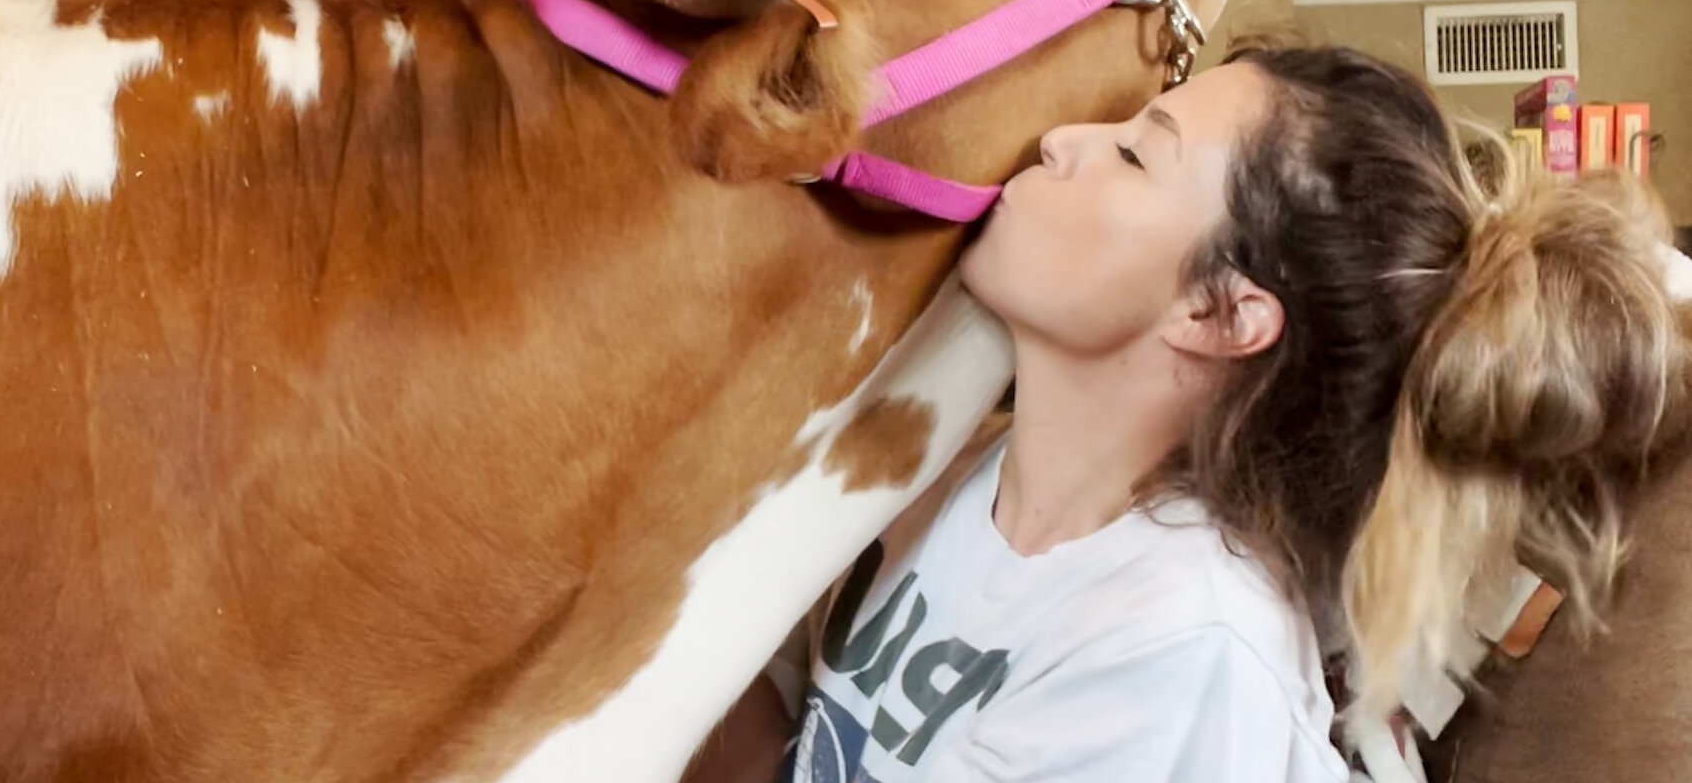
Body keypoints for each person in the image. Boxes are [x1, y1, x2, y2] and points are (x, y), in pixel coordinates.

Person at [685, 44, 1690, 783]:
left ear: (1219, 312)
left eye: (1134, 154)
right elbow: (778, 730)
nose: (1063, 140)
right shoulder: (959, 474)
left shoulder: (1178, 645)